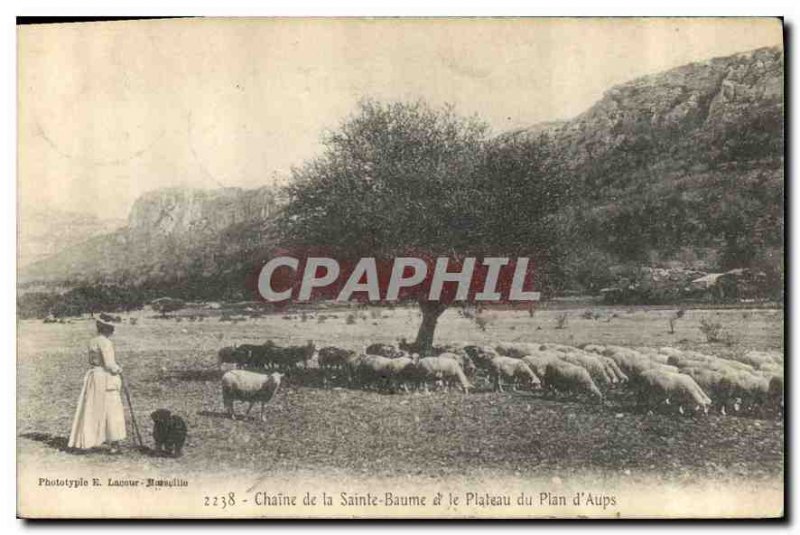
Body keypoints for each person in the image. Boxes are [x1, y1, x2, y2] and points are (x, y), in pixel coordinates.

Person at [68, 316, 127, 452]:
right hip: (105, 378)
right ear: (107, 329)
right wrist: (119, 369)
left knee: (92, 408)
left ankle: (87, 440)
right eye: (111, 328)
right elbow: (109, 364)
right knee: (112, 410)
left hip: (94, 377)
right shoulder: (106, 343)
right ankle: (114, 444)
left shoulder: (92, 341)